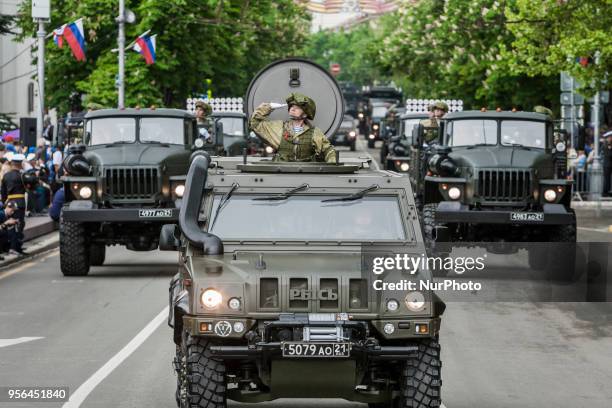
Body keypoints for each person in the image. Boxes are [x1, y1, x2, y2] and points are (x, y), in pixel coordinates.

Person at [249, 92, 337, 163]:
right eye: (291, 107)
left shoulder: (314, 133)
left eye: (297, 108)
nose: (292, 109)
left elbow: (328, 150)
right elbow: (254, 123)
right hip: (281, 172)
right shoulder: (279, 128)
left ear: (306, 113)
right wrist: (269, 107)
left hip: (305, 173)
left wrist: (331, 163)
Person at [0, 154, 26, 254]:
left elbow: (3, 192)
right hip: (19, 202)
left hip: (9, 203)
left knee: (11, 224)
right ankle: (15, 247)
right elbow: (28, 188)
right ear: (19, 164)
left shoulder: (6, 176)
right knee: (19, 224)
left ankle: (11, 246)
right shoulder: (22, 175)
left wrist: (4, 203)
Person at [603, 131, 612, 196]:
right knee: (607, 179)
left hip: (609, 164)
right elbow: (609, 155)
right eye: (610, 137)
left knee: (608, 179)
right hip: (607, 165)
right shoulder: (606, 145)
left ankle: (608, 191)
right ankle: (605, 192)